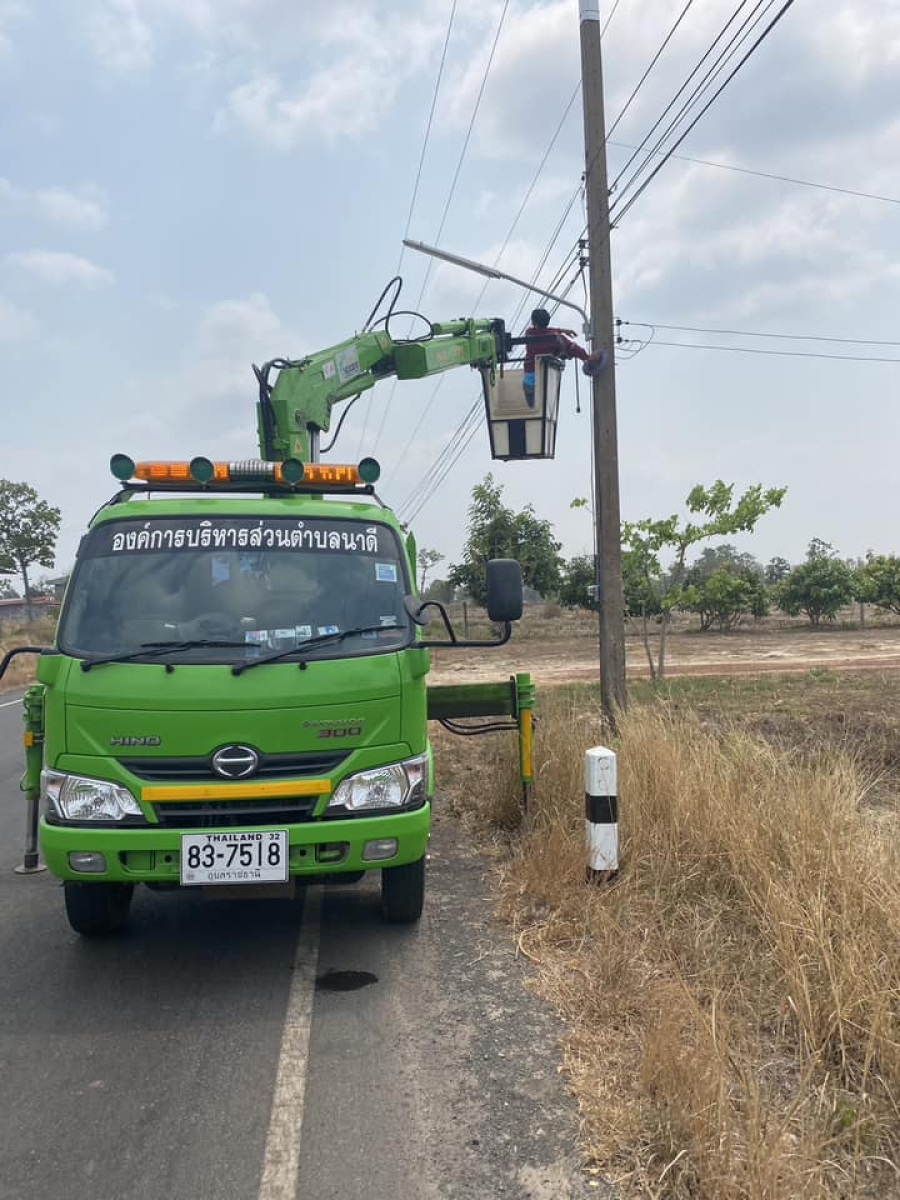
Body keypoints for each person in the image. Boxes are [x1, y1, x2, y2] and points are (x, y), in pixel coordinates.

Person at [522, 308, 608, 407]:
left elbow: (543, 331)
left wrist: (561, 331)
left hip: (529, 384)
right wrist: (587, 357)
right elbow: (574, 349)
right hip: (546, 380)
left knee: (535, 408)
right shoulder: (557, 339)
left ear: (533, 322)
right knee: (545, 405)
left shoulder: (529, 334)